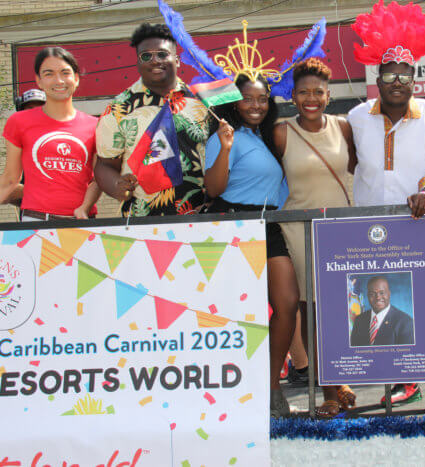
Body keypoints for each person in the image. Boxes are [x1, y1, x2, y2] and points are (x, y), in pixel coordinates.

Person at [348, 0, 425, 414]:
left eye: (404, 75)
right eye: (389, 74)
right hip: (371, 228)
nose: (397, 80)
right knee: (387, 308)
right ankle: (401, 381)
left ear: (414, 77)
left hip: (421, 224)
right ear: (378, 78)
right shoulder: (356, 116)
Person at [204, 73, 298, 418]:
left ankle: (272, 385)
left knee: (287, 303)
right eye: (248, 98)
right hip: (235, 226)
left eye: (262, 99)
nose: (256, 105)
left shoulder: (268, 137)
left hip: (270, 225)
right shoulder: (226, 135)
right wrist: (225, 147)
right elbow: (213, 189)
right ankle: (241, 392)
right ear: (235, 101)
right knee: (242, 314)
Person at [271, 58, 356, 418]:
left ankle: (343, 379)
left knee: (347, 311)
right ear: (293, 96)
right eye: (303, 92)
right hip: (301, 231)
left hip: (343, 230)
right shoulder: (281, 132)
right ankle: (330, 391)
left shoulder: (344, 126)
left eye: (318, 92)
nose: (311, 98)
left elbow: (354, 171)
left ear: (328, 94)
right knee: (314, 314)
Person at [95, 23, 211, 216]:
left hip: (201, 217)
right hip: (142, 221)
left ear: (177, 60)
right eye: (146, 56)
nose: (155, 60)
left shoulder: (202, 102)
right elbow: (105, 165)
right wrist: (116, 185)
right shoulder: (119, 108)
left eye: (163, 54)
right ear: (138, 62)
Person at [0, 47, 100, 221]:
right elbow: (10, 178)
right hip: (35, 221)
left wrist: (84, 208)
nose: (59, 80)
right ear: (38, 81)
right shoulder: (19, 122)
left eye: (65, 73)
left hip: (81, 221)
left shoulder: (96, 125)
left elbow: (99, 179)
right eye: (49, 74)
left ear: (76, 79)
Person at [350, 276, 414, 347]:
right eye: (372, 294)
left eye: (382, 293)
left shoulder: (406, 323)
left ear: (389, 294)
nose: (378, 297)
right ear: (368, 296)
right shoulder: (359, 320)